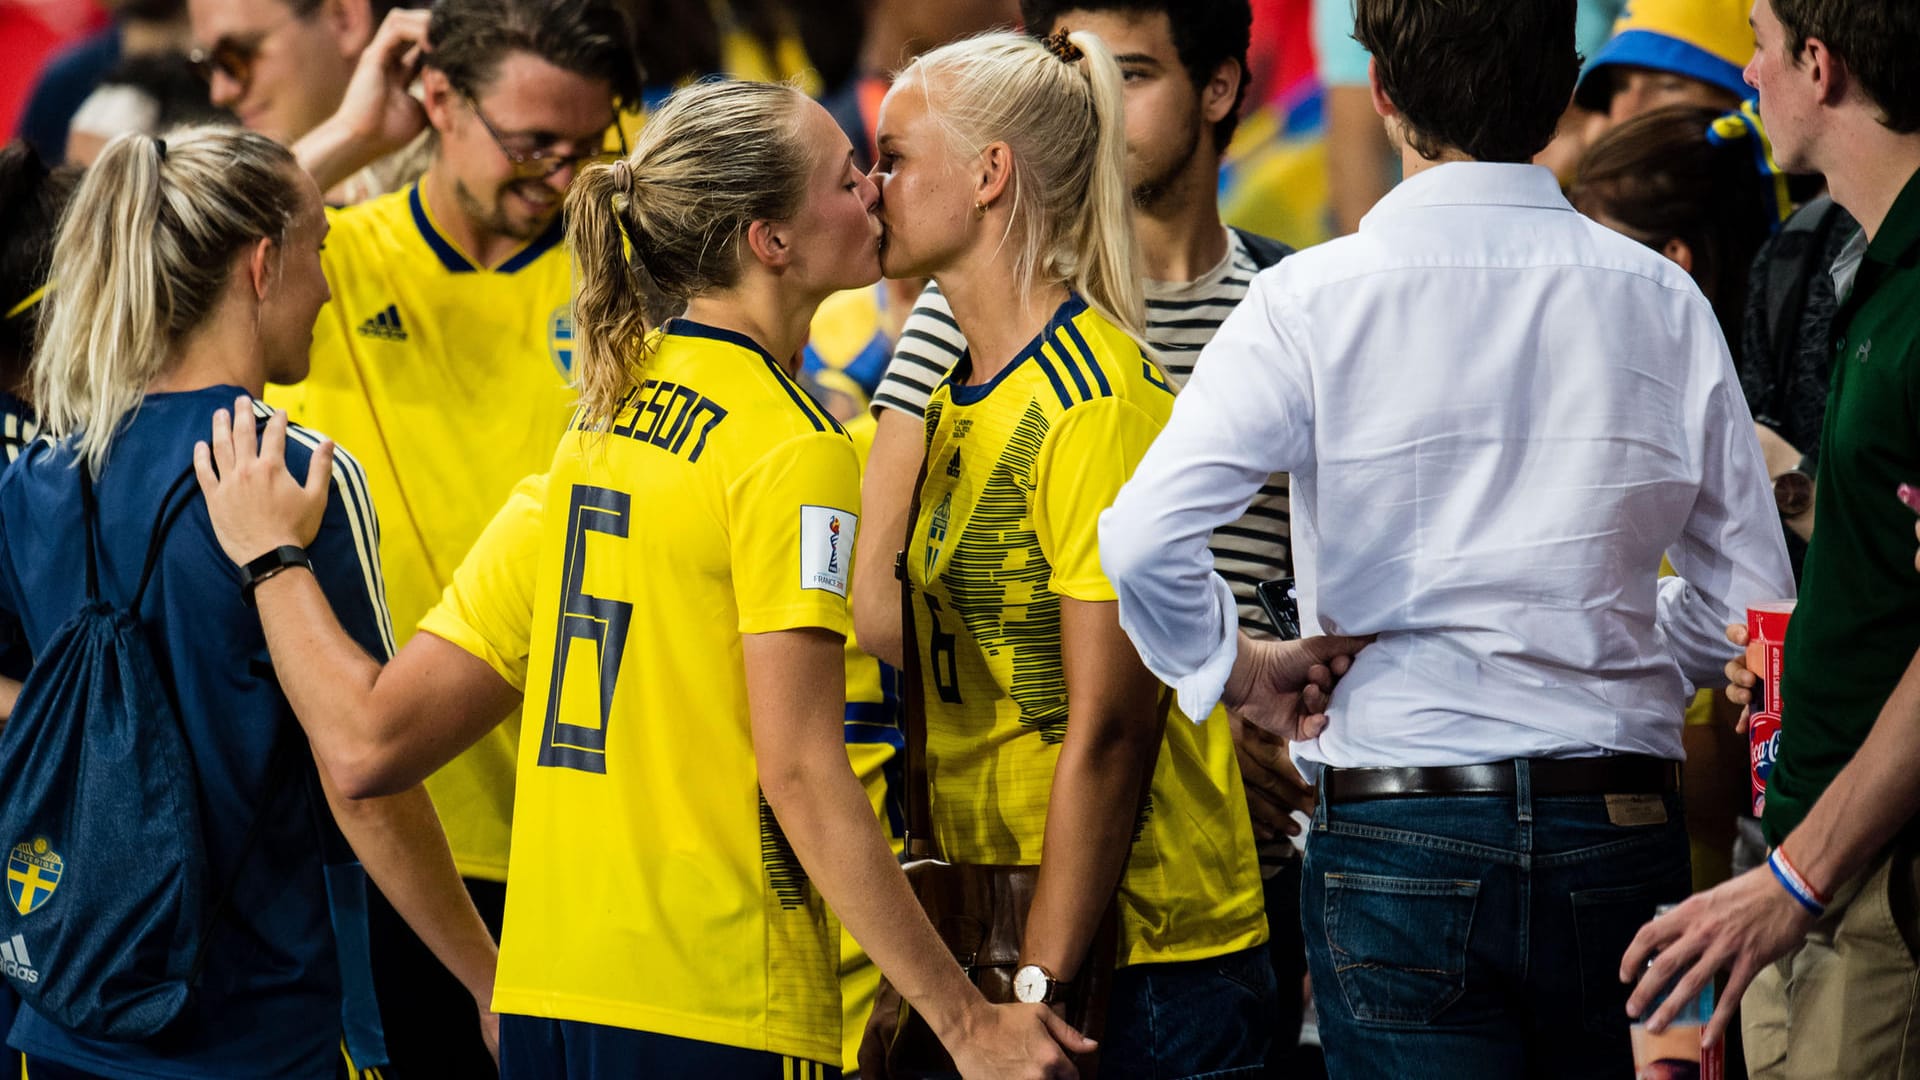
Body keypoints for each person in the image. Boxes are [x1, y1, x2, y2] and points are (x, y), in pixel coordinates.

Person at [190, 78, 1090, 1079]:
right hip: (714, 1004)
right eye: (847, 179)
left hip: (546, 1000)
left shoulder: (594, 430)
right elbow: (799, 771)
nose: (874, 192)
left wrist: (271, 561)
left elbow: (370, 742)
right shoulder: (791, 449)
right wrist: (968, 1026)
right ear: (771, 241)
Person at [1099, 0, 1795, 1075]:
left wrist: (1235, 670)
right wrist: (1600, 635)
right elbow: (1752, 597)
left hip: (1397, 833)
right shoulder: (1664, 300)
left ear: (1380, 94)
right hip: (1613, 827)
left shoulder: (1307, 300)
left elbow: (1143, 538)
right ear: (1564, 91)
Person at [852, 4, 1314, 1066]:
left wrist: (1036, 986)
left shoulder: (1097, 400)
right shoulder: (960, 395)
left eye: (893, 158)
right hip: (1012, 920)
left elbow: (1109, 727)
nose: (871, 188)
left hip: (1140, 956)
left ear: (989, 175)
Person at [0, 125, 497, 1080]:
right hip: (260, 1026)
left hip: (62, 1013)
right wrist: (485, 979)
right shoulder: (292, 474)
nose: (325, 285)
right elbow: (366, 780)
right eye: (320, 249)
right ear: (263, 264)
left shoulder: (40, 478)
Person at [262, 0, 639, 1074]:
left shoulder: (633, 279)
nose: (560, 176)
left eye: (586, 144)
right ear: (437, 100)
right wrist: (351, 136)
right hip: (386, 838)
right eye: (530, 145)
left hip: (589, 836)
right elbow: (153, 270)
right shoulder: (327, 260)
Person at [1620, 1, 1920, 1075]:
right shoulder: (1869, 281)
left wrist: (1801, 874)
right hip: (1823, 875)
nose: (1744, 73)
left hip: (1864, 884)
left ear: (1821, 63)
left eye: (1758, 39)